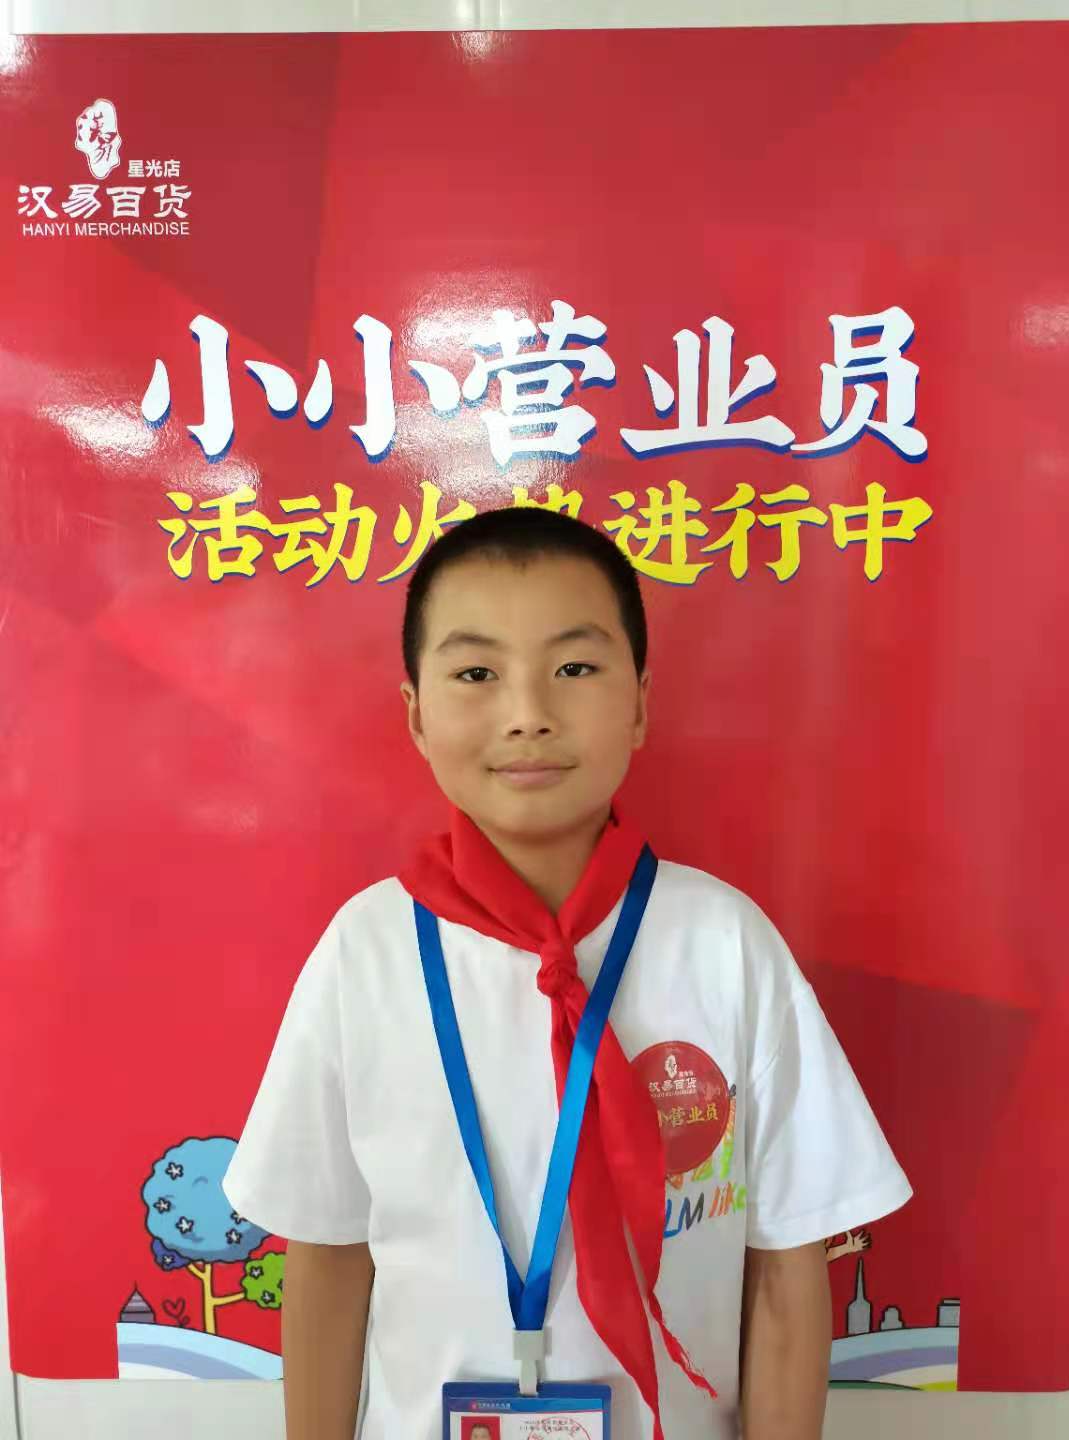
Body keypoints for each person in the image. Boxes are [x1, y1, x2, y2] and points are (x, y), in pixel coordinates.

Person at [223, 506, 912, 1440]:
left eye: (575, 668)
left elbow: (786, 1268)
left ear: (640, 705)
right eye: (476, 673)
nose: (528, 714)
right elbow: (329, 1255)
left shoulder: (727, 944)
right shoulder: (367, 951)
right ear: (416, 714)